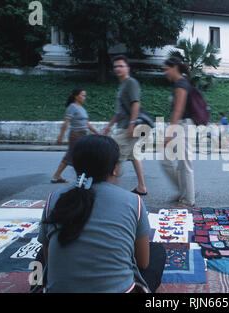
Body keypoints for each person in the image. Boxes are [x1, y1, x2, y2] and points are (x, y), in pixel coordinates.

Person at [38, 135, 166, 293]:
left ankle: (39, 286)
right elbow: (143, 263)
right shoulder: (134, 201)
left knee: (42, 254)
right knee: (157, 251)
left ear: (75, 166)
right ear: (114, 169)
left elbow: (47, 258)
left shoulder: (54, 198)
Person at [103, 55, 147, 196]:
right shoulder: (123, 85)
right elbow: (120, 111)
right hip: (124, 125)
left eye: (121, 66)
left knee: (115, 157)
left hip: (127, 127)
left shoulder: (130, 83)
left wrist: (132, 124)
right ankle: (141, 187)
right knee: (134, 156)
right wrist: (109, 125)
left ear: (127, 68)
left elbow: (136, 103)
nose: (118, 69)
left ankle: (112, 191)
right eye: (116, 66)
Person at [161, 57, 196, 208]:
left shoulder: (181, 84)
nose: (165, 72)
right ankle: (185, 191)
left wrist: (169, 132)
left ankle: (189, 200)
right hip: (179, 125)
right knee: (166, 161)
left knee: (184, 163)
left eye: (166, 69)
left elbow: (178, 109)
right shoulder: (179, 84)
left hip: (183, 126)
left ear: (174, 67)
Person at [51, 88, 100, 183]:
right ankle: (59, 176)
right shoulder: (72, 107)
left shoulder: (81, 108)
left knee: (79, 156)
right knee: (72, 156)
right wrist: (61, 136)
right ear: (76, 96)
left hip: (83, 135)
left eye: (84, 95)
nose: (84, 97)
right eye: (82, 95)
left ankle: (58, 175)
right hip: (75, 135)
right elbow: (66, 122)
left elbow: (86, 123)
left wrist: (97, 133)